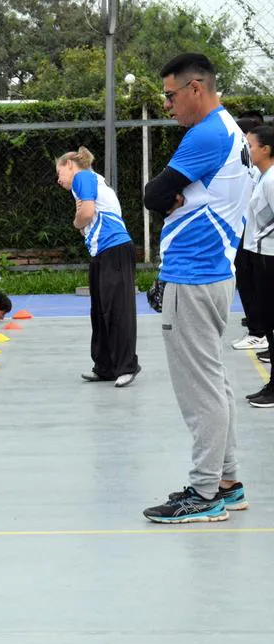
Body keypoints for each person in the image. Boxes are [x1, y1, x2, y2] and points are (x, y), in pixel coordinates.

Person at [141, 53, 251, 523]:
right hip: (213, 272)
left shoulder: (205, 133)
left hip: (195, 273)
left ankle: (204, 493)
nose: (168, 105)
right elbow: (164, 196)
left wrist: (168, 198)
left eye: (170, 95)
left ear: (196, 88)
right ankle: (226, 483)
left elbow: (152, 194)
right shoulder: (228, 129)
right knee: (215, 383)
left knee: (200, 389)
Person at [56, 146, 140, 388]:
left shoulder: (82, 177)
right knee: (100, 311)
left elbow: (87, 213)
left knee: (118, 310)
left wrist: (76, 221)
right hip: (102, 253)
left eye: (60, 172)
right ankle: (104, 366)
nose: (58, 179)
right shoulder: (88, 183)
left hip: (115, 249)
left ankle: (127, 366)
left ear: (71, 164)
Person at [240, 125, 274, 406]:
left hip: (270, 259)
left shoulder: (273, 179)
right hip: (261, 256)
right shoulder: (264, 177)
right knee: (269, 323)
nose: (248, 151)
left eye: (251, 146)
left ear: (266, 149)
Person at [231, 114, 267, 353]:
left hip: (256, 237)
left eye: (248, 142)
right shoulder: (251, 168)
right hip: (247, 232)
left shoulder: (265, 174)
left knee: (254, 283)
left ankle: (259, 331)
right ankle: (258, 328)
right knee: (247, 280)